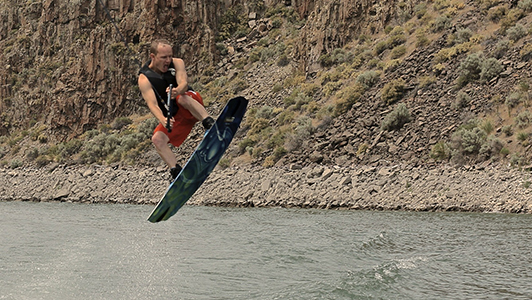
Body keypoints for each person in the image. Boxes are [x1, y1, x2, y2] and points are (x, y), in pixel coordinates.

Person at [138, 39, 215, 180]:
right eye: (163, 57)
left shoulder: (177, 62)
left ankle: (209, 123)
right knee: (157, 139)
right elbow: (152, 104)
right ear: (153, 57)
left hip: (191, 105)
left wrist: (177, 90)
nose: (168, 60)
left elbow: (184, 83)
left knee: (181, 97)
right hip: (177, 117)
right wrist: (163, 119)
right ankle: (176, 171)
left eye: (169, 56)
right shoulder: (144, 79)